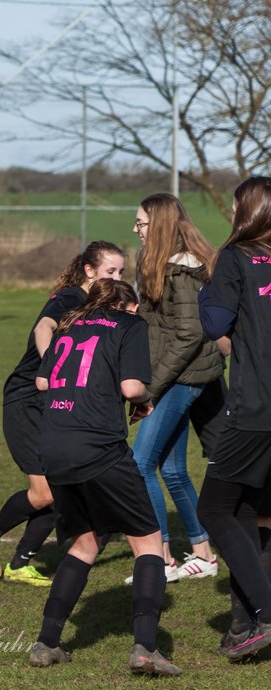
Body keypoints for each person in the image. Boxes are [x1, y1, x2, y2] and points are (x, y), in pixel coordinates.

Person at [28, 278, 180, 676]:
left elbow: (43, 381)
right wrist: (145, 401)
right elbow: (132, 387)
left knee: (85, 545)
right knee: (148, 543)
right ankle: (146, 648)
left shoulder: (68, 324)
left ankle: (47, 642)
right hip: (97, 448)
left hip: (54, 446)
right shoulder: (130, 325)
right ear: (126, 305)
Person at [0, 241, 126, 587]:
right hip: (27, 399)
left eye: (121, 273)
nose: (117, 278)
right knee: (44, 493)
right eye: (110, 272)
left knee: (62, 486)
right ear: (89, 271)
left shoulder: (101, 308)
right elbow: (44, 328)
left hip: (57, 403)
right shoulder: (72, 297)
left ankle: (20, 564)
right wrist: (52, 368)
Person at [119, 193, 223, 586]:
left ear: (159, 224)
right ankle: (204, 554)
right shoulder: (160, 264)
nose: (136, 228)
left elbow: (189, 335)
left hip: (182, 379)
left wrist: (151, 389)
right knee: (174, 469)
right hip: (174, 375)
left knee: (140, 464)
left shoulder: (182, 270)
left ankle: (159, 558)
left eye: (141, 222)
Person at [196, 175, 271, 661]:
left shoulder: (236, 257)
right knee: (251, 512)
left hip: (255, 407)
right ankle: (243, 626)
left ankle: (266, 613)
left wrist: (208, 291)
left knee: (213, 510)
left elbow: (214, 324)